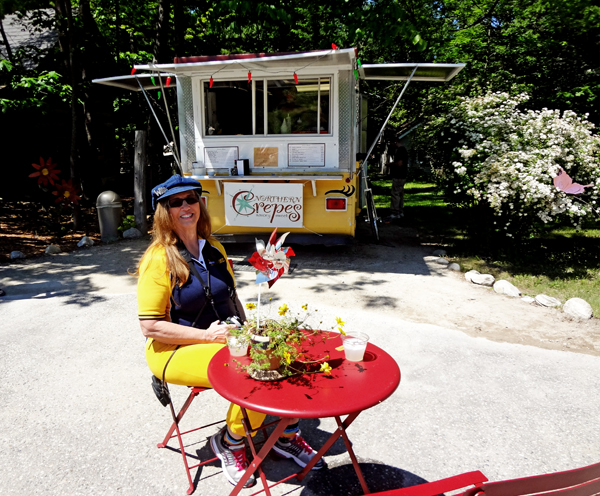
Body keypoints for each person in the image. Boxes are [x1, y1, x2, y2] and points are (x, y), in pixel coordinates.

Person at [136, 175, 324, 488]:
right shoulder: (158, 260)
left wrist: (252, 327)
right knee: (256, 370)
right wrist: (207, 336)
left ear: (200, 204)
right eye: (175, 202)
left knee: (284, 353)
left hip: (226, 338)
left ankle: (286, 435)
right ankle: (231, 442)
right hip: (173, 349)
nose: (186, 206)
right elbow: (150, 326)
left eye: (191, 199)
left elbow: (231, 297)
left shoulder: (214, 248)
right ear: (163, 211)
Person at [387, 138, 409, 220]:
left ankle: (395, 212)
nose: (391, 145)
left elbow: (399, 163)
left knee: (395, 193)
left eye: (391, 143)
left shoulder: (400, 151)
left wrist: (390, 164)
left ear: (395, 142)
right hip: (403, 175)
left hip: (398, 175)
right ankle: (400, 211)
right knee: (400, 193)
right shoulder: (404, 150)